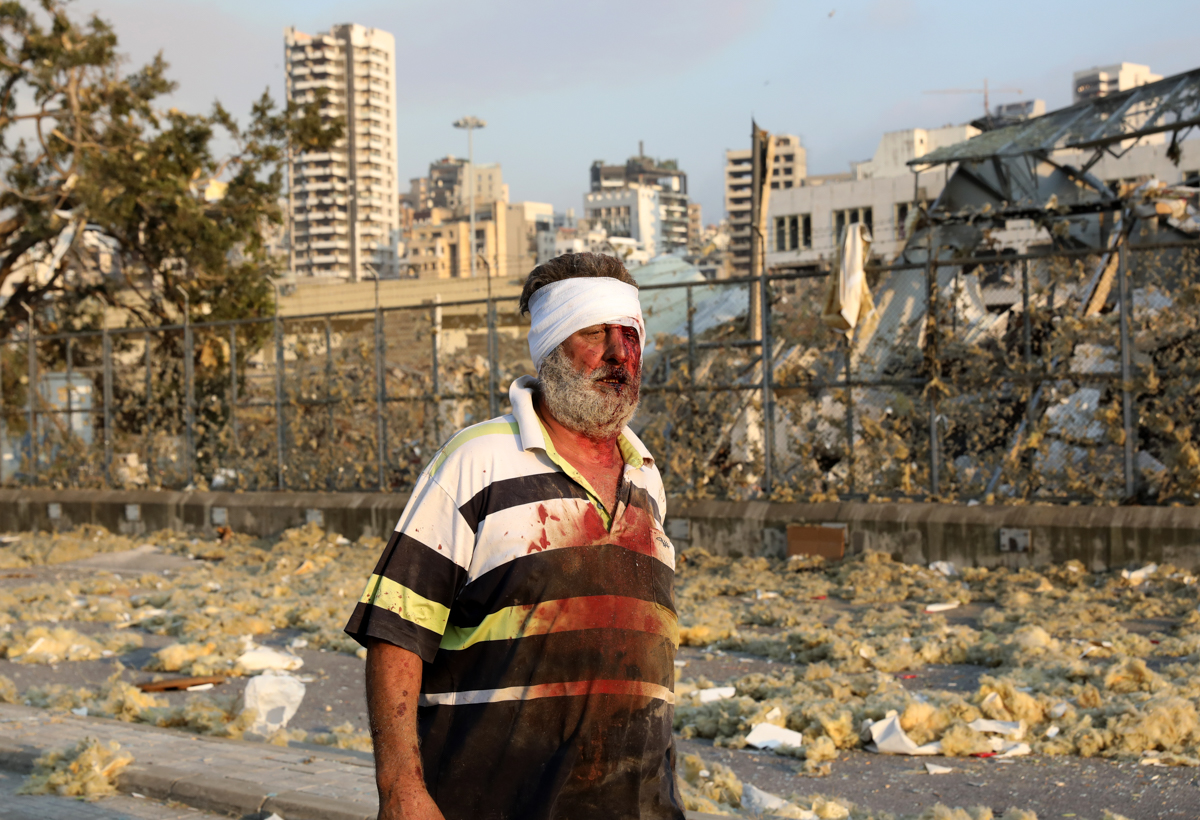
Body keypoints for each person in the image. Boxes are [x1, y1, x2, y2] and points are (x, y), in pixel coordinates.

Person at [344, 252, 684, 820]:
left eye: (630, 334)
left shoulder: (647, 478)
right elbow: (396, 633)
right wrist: (400, 788)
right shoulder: (477, 461)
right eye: (595, 332)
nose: (619, 354)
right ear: (552, 346)